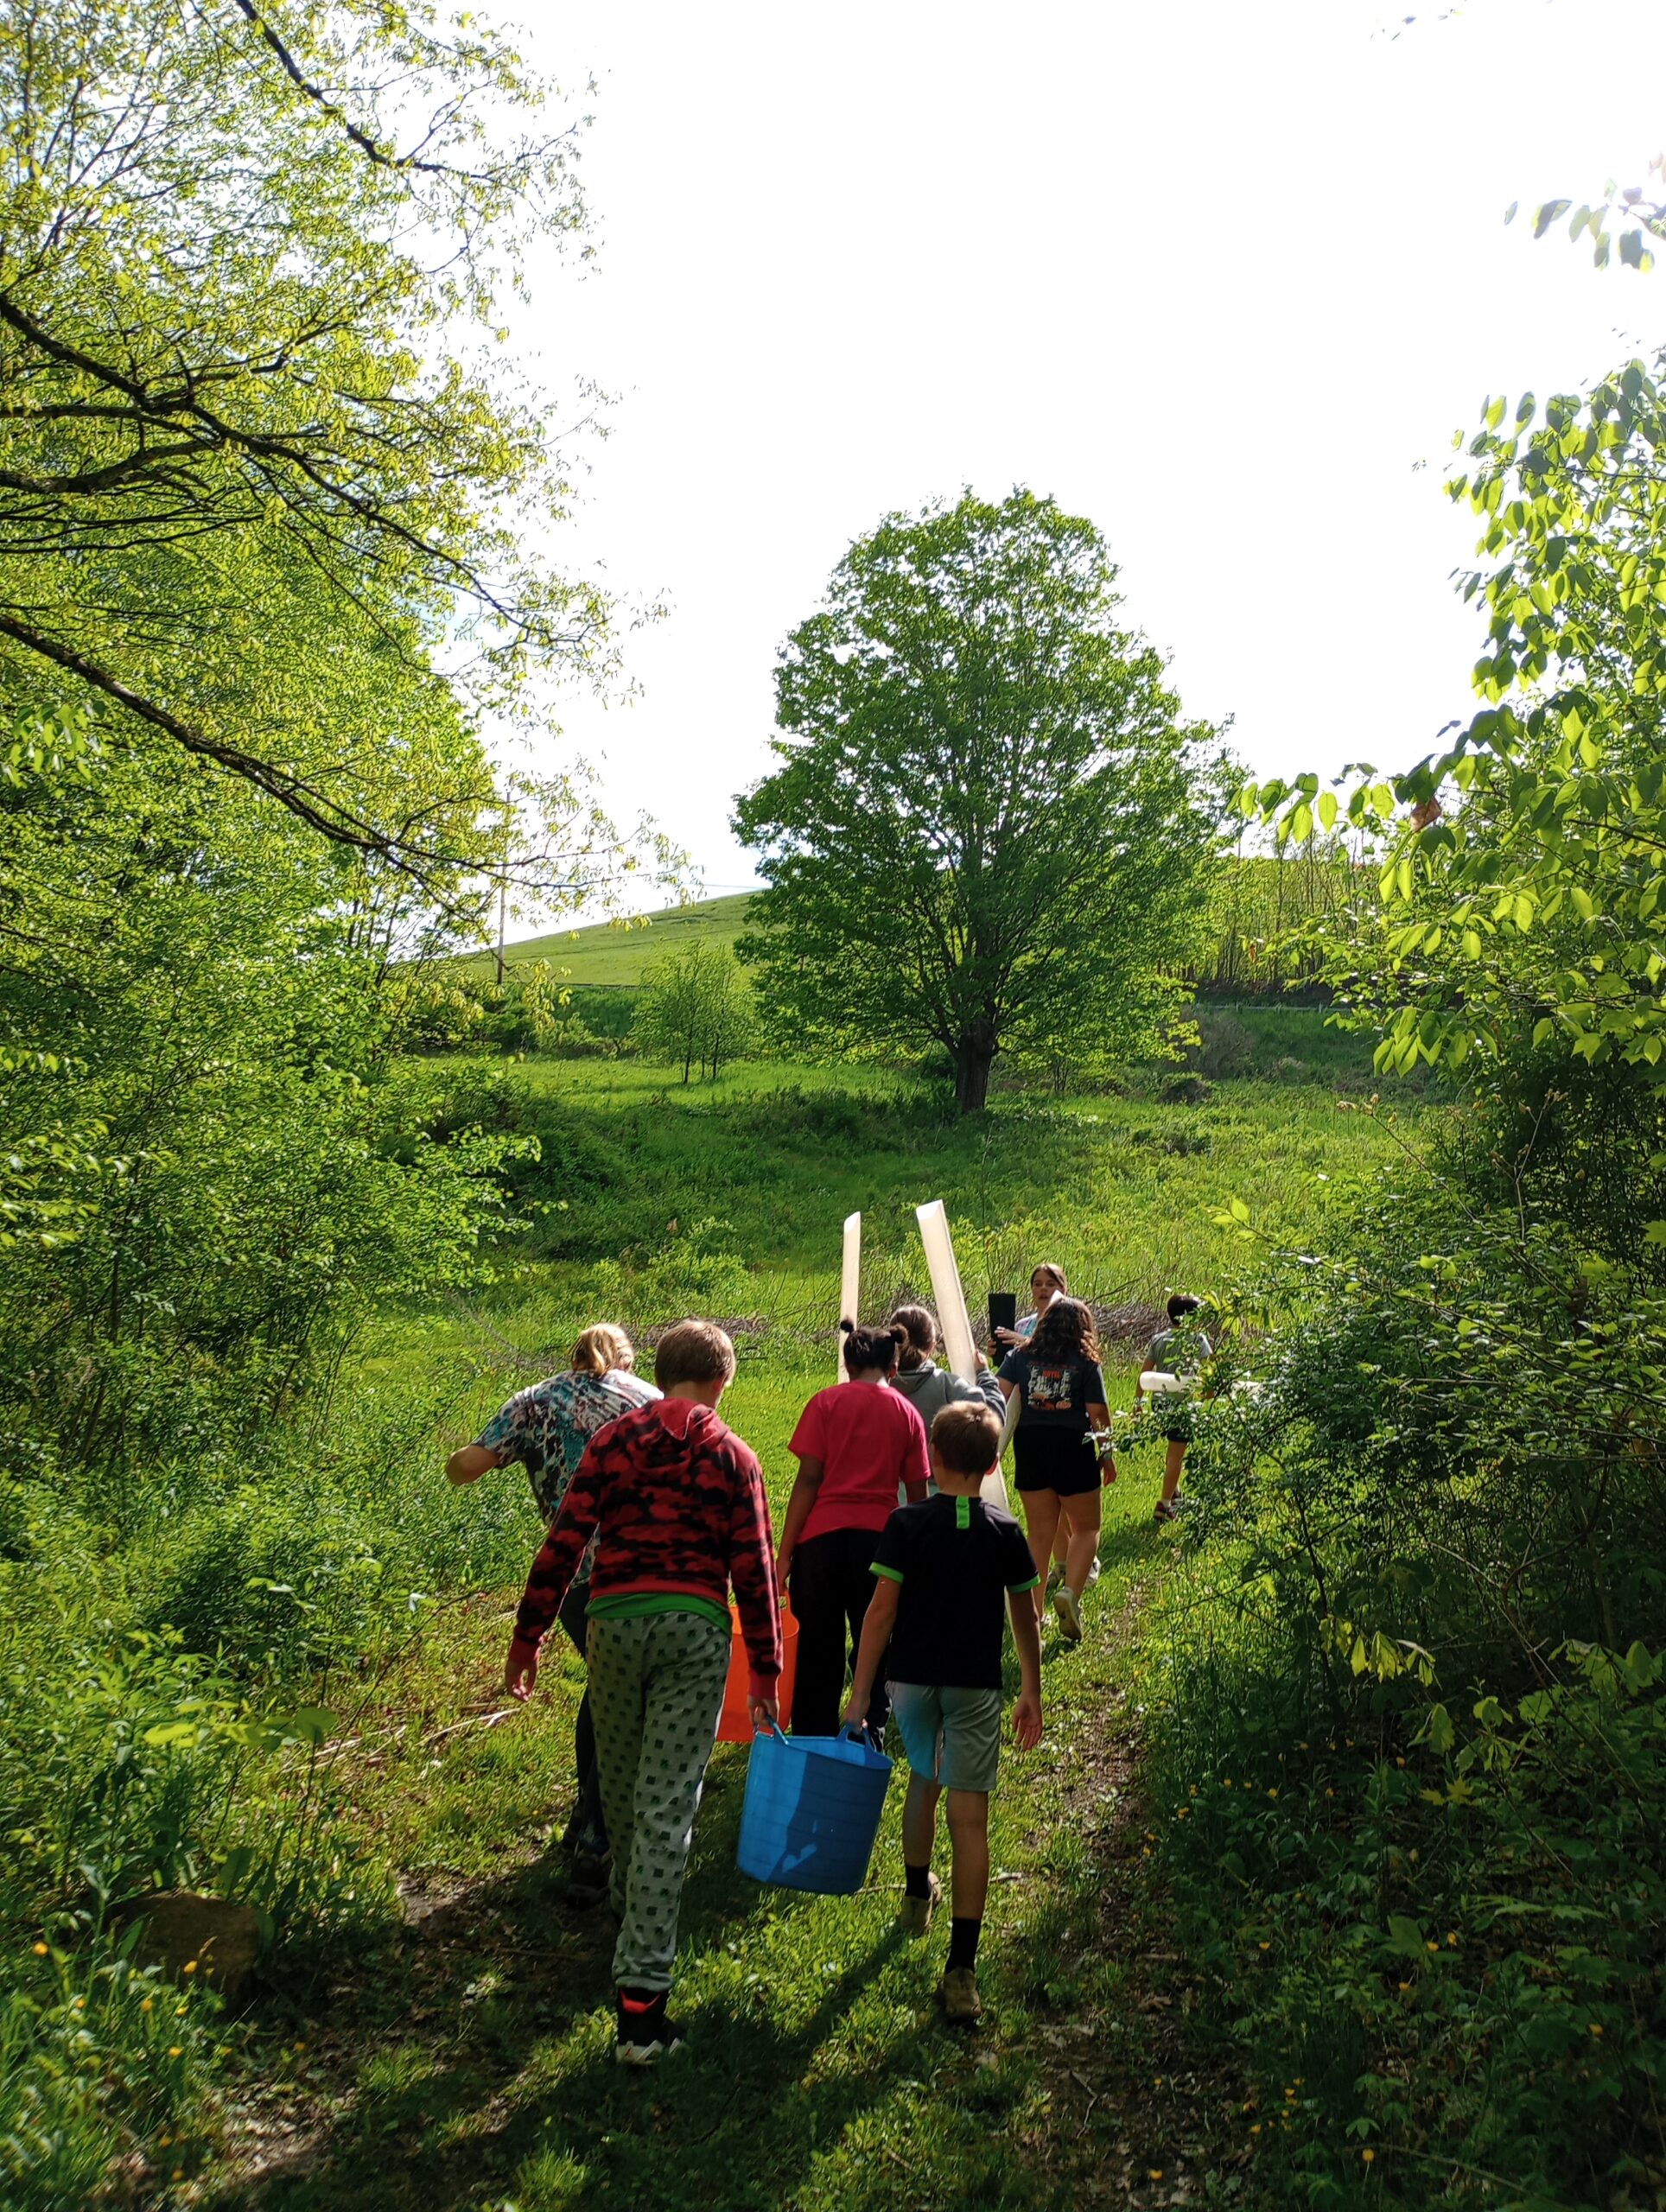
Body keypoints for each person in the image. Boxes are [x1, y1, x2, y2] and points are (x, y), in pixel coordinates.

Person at [501, 1319, 780, 2069]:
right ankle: (641, 2008)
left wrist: (527, 1637)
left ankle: (632, 1919)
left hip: (611, 1628)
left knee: (624, 1795)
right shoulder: (733, 1454)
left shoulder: (612, 1443)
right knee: (666, 1809)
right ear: (722, 1381)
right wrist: (766, 1675)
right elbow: (754, 1568)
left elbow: (565, 1536)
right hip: (692, 1633)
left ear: (661, 1374)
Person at [843, 1402, 1043, 2025]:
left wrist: (859, 1694)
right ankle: (961, 1970)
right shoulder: (1004, 1531)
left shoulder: (905, 1524)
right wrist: (1031, 1689)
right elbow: (1025, 1617)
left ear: (931, 1457)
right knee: (971, 1819)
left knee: (922, 1781)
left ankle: (913, 1895)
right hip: (974, 1687)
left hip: (910, 1682)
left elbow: (879, 1613)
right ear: (991, 1465)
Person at [445, 1324, 658, 1900]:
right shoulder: (649, 1400)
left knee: (608, 1687)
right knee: (618, 1694)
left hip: (577, 1574)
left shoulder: (536, 1401)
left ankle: (587, 1829)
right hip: (650, 1569)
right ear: (627, 1360)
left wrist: (458, 1458)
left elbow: (467, 1466)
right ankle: (594, 1837)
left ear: (572, 1357)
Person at [776, 1321, 931, 1739]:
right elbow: (917, 1495)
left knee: (816, 1647)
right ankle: (868, 1728)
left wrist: (785, 1554)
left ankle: (812, 1736)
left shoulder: (825, 1403)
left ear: (847, 1364)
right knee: (875, 1640)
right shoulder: (907, 1413)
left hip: (820, 1544)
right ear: (894, 1367)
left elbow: (808, 1480)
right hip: (881, 1545)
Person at [996, 1298, 1112, 1642]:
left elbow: (998, 1398)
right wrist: (1107, 1457)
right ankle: (1070, 1594)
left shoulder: (1018, 1357)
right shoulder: (1085, 1362)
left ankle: (1032, 1614)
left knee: (1039, 1534)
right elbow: (1099, 1415)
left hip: (1031, 1448)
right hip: (1073, 1448)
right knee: (1087, 1527)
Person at [989, 1264, 1092, 1587]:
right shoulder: (1022, 1323)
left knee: (1064, 1506)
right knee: (1048, 1510)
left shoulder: (1076, 1317)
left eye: (1050, 1283)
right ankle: (1063, 1564)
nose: (1043, 1289)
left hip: (1066, 1417)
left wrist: (1024, 1343)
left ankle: (1078, 1564)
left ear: (1063, 1286)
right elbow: (1008, 1375)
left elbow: (1085, 1355)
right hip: (1028, 1416)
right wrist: (998, 1353)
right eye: (1037, 1283)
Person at [887, 1304, 1005, 1472]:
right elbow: (991, 1420)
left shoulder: (877, 1385)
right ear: (932, 1346)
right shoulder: (948, 1386)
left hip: (884, 1493)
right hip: (942, 1493)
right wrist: (985, 1376)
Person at [1138, 1293, 1213, 1523]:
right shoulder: (1198, 1340)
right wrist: (1209, 1393)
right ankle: (1165, 1504)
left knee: (1172, 1453)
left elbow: (1145, 1373)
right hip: (1183, 1406)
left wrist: (1138, 1404)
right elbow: (1209, 1371)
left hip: (1160, 1404)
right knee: (1176, 1457)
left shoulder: (1159, 1339)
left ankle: (1175, 1492)